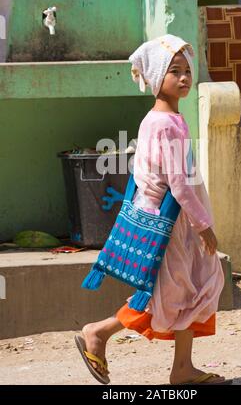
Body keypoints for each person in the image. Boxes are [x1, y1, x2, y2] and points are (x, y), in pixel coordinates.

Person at [75, 34, 231, 385]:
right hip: (175, 224)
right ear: (156, 76)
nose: (184, 77)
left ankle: (182, 369)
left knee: (189, 288)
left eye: (187, 71)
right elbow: (179, 182)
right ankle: (98, 332)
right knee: (175, 292)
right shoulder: (165, 125)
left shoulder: (163, 120)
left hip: (175, 221)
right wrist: (203, 225)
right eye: (174, 71)